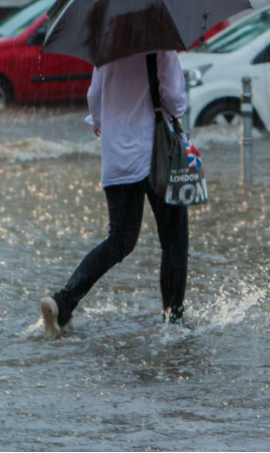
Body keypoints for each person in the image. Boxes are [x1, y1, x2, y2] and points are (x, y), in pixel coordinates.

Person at [41, 51, 189, 335]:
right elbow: (176, 102)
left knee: (120, 239)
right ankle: (174, 321)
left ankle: (63, 300)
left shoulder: (106, 48)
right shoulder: (160, 45)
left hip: (118, 158)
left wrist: (102, 120)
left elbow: (95, 100)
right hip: (157, 155)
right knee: (174, 241)